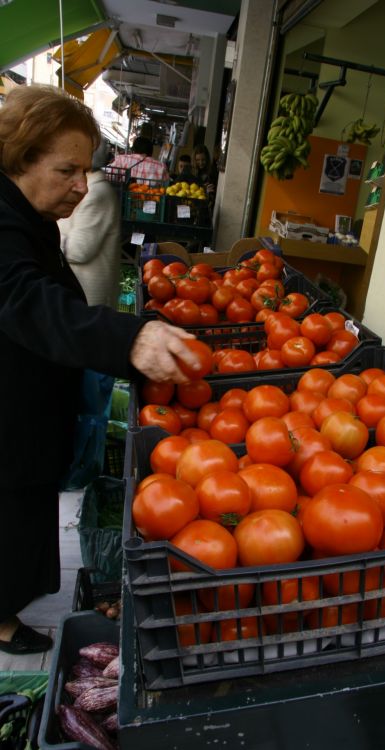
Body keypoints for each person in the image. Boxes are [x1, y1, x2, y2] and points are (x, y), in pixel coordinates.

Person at [0, 84, 198, 655]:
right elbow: (28, 300)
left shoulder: (24, 211)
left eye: (85, 170)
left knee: (25, 498)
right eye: (67, 170)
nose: (82, 187)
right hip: (8, 404)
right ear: (21, 158)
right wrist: (128, 338)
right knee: (10, 504)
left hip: (26, 398)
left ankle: (11, 599)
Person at [58, 139, 121, 307]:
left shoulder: (97, 193)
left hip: (89, 297)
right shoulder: (88, 188)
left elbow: (79, 250)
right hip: (78, 292)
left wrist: (44, 235)